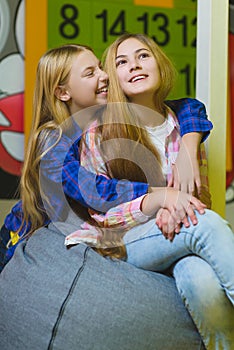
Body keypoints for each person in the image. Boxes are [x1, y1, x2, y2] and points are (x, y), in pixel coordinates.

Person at [0, 43, 207, 350]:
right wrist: (158, 195)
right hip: (28, 238)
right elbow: (94, 191)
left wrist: (189, 146)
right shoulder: (54, 138)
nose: (104, 76)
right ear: (62, 92)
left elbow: (189, 107)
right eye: (91, 72)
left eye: (100, 66)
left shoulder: (102, 123)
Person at [64, 33, 234, 349]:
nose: (135, 66)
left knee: (202, 283)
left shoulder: (183, 129)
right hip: (124, 242)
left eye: (143, 56)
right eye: (122, 62)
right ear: (112, 76)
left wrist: (177, 206)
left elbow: (199, 195)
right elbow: (99, 212)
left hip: (176, 234)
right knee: (207, 225)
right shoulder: (98, 131)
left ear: (159, 63)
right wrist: (158, 203)